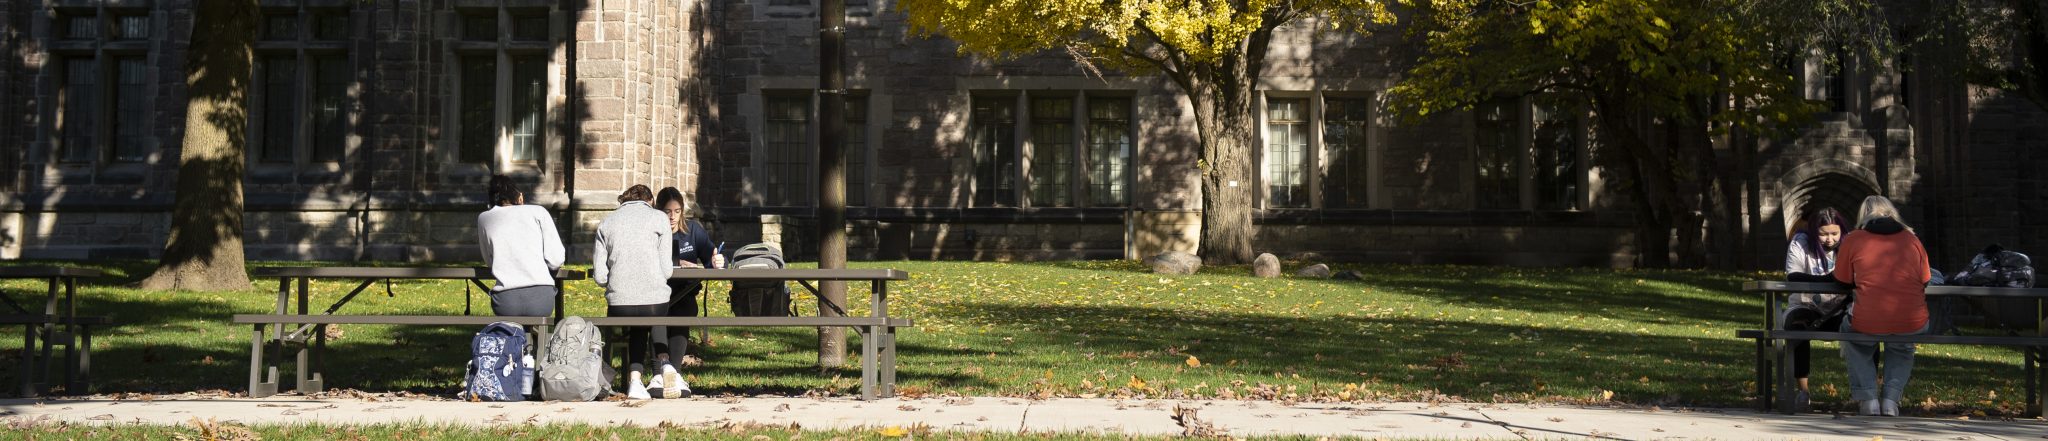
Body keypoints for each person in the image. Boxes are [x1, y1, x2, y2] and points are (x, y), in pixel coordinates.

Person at [1833, 195, 1931, 417]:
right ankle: (1890, 401)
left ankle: (1868, 400)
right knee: (1903, 346)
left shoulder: (1853, 239)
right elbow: (1925, 278)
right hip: (1912, 319)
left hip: (1867, 319)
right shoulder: (1911, 239)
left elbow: (1842, 279)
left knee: (1855, 341)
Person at [592, 184, 673, 391]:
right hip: (655, 303)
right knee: (652, 311)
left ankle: (635, 380)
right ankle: (663, 368)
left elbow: (600, 277)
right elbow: (667, 271)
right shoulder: (659, 218)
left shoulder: (606, 222)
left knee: (638, 321)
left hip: (620, 304)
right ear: (650, 201)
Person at [1781, 207, 1847, 411]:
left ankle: (1866, 393)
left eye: (1834, 233)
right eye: (1823, 234)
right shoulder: (1800, 243)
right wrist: (1826, 280)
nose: (1829, 239)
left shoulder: (1850, 243)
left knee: (1864, 327)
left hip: (1840, 306)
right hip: (1806, 304)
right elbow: (1793, 276)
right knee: (1797, 328)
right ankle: (1803, 391)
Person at [476, 175, 565, 317]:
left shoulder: (484, 218)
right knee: (538, 328)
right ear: (519, 196)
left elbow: (489, 261)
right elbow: (556, 259)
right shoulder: (538, 212)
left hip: (506, 299)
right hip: (541, 298)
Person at [653, 187, 723, 363]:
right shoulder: (651, 232)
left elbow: (711, 256)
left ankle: (673, 372)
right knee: (656, 313)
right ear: (658, 211)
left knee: (683, 312)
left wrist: (718, 261)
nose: (672, 217)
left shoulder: (692, 230)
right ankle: (659, 371)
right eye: (667, 212)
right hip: (655, 292)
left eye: (677, 211)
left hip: (685, 291)